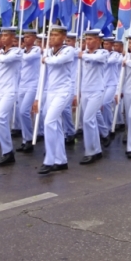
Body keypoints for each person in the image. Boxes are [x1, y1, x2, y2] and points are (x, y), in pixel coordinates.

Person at [33, 24, 75, 175]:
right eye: (51, 36)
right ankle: (61, 160)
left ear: (64, 37)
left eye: (56, 35)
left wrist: (45, 58)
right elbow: (43, 78)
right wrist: (38, 98)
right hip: (50, 91)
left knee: (49, 122)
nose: (52, 38)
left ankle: (49, 160)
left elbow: (57, 62)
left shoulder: (69, 50)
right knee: (54, 125)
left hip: (63, 91)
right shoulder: (48, 52)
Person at [0, 27, 23, 166]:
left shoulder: (17, 52)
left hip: (10, 90)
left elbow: (6, 60)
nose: (2, 38)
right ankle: (6, 151)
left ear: (13, 38)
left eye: (6, 35)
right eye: (2, 35)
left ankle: (8, 151)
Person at [77, 29, 108, 165]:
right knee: (91, 121)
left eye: (90, 39)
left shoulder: (103, 53)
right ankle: (96, 150)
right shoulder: (83, 54)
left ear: (98, 41)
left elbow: (97, 59)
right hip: (85, 90)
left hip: (97, 90)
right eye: (86, 39)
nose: (87, 42)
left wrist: (82, 55)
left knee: (87, 119)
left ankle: (90, 151)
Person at [14, 29, 40, 153]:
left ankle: (29, 139)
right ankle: (25, 140)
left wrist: (18, 54)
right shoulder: (22, 51)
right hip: (22, 84)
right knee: (20, 112)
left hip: (32, 85)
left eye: (29, 37)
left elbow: (27, 59)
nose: (25, 39)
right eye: (25, 37)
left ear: (34, 38)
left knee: (25, 111)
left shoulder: (37, 50)